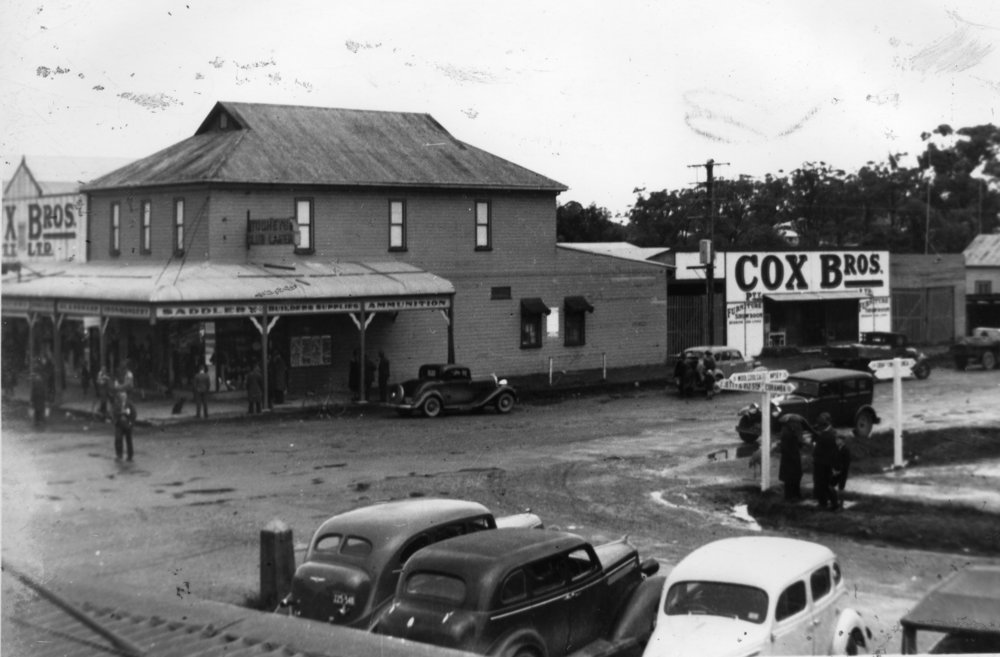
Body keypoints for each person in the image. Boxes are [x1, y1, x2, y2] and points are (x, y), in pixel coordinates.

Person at [811, 413, 839, 510]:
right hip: (826, 463)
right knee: (824, 484)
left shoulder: (825, 436)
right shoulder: (830, 434)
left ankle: (826, 503)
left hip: (822, 463)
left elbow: (818, 450)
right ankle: (829, 502)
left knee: (822, 484)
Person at [776, 414, 806, 501]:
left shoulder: (791, 430)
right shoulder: (787, 432)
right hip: (790, 459)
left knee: (795, 477)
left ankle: (795, 495)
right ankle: (790, 496)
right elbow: (786, 447)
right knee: (790, 479)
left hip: (792, 458)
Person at [112, 391, 137, 461]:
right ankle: (119, 454)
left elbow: (134, 414)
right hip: (119, 424)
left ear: (126, 396)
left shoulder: (130, 404)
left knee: (129, 440)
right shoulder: (117, 404)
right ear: (120, 397)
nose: (123, 397)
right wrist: (120, 414)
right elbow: (114, 413)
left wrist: (131, 423)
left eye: (124, 396)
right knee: (118, 439)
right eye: (122, 396)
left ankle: (130, 455)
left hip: (127, 423)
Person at [830, 433, 852, 507]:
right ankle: (834, 501)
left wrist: (840, 471)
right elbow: (832, 459)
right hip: (835, 471)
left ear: (842, 441)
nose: (836, 441)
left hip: (842, 472)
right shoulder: (835, 449)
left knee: (841, 488)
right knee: (830, 486)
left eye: (838, 440)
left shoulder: (846, 450)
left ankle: (841, 503)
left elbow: (846, 463)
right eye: (836, 440)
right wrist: (833, 469)